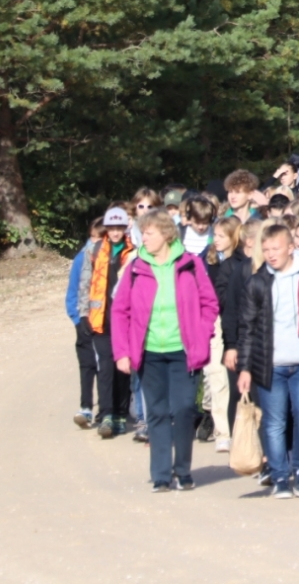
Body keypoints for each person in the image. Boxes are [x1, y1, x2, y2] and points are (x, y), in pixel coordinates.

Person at [111, 211, 220, 493]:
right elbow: (120, 310)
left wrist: (202, 332)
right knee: (157, 413)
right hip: (149, 353)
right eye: (142, 233)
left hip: (183, 351)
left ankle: (182, 470)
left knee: (183, 409)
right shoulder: (136, 267)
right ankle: (161, 475)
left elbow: (209, 303)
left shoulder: (190, 265)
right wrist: (122, 352)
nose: (143, 238)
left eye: (149, 233)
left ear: (166, 235)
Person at [237, 222, 299, 498]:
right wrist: (245, 368)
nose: (271, 254)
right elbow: (246, 327)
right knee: (274, 422)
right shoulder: (257, 282)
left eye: (276, 248)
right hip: (271, 365)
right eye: (266, 249)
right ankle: (281, 476)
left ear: (291, 247)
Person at [80, 207, 136, 437]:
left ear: (125, 228)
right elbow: (84, 282)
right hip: (100, 319)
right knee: (105, 368)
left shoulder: (134, 252)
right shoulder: (94, 250)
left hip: (124, 320)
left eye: (119, 228)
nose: (114, 232)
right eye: (111, 228)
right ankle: (106, 415)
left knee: (122, 369)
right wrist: (83, 313)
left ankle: (121, 414)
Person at [204, 217, 251, 451]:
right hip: (217, 322)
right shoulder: (212, 261)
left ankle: (240, 431)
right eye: (215, 235)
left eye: (221, 236)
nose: (215, 240)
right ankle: (223, 430)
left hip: (234, 324)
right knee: (218, 379)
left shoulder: (237, 264)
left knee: (234, 382)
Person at [67, 217, 105, 429]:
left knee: (104, 367)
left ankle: (104, 410)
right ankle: (86, 407)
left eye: (98, 238)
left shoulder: (109, 260)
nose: (94, 242)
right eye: (91, 237)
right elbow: (72, 293)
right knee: (87, 364)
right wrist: (76, 318)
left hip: (103, 323)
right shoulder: (81, 259)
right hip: (83, 321)